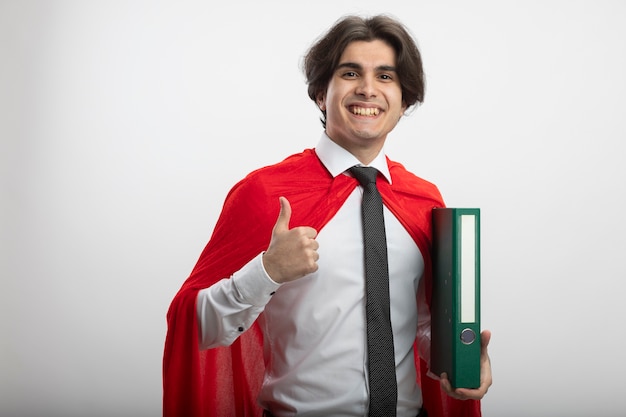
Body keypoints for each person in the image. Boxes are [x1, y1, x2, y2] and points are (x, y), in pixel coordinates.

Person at [163, 14, 492, 417]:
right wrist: (266, 272)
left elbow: (423, 325)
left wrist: (462, 358)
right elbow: (195, 328)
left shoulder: (423, 200)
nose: (368, 89)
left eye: (386, 77)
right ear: (321, 92)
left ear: (404, 100)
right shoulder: (265, 193)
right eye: (351, 72)